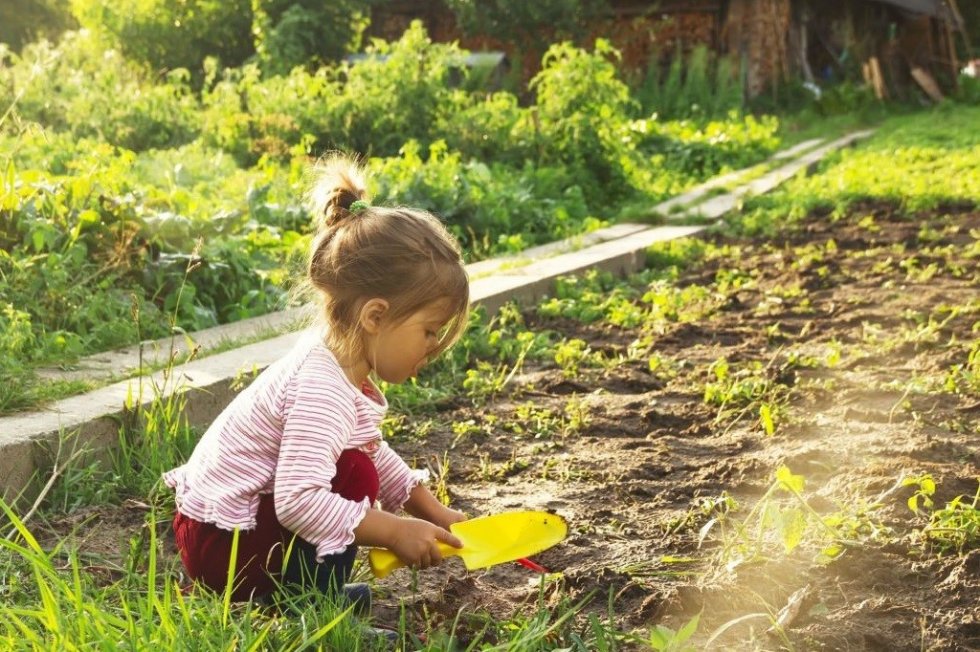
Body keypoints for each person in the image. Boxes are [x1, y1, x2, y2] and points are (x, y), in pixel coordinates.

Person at [163, 154, 470, 616]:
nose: (432, 348)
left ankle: (296, 591)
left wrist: (433, 512)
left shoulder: (338, 363)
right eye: (429, 331)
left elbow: (369, 447)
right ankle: (310, 608)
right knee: (352, 475)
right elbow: (298, 502)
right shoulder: (321, 387)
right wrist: (393, 531)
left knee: (356, 465)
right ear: (375, 316)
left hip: (224, 535)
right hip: (223, 547)